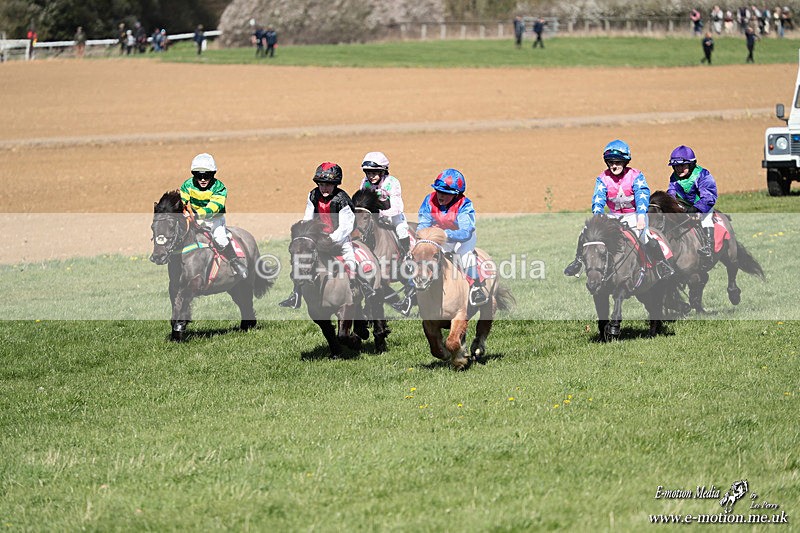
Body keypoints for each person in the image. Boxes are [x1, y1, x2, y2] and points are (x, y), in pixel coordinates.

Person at [563, 140, 673, 284]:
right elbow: (598, 199)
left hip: (634, 215)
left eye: (618, 162)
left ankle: (662, 264)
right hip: (613, 216)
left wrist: (641, 217)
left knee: (644, 236)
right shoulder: (602, 179)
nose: (614, 165)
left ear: (625, 162)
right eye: (610, 162)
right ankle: (577, 262)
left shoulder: (636, 176)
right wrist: (598, 218)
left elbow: (642, 197)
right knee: (586, 231)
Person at [279, 163, 374, 308]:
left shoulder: (342, 199)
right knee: (301, 260)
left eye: (329, 184)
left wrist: (331, 239)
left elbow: (346, 226)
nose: (324, 188)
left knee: (350, 259)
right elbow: (308, 217)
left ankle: (361, 286)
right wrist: (307, 236)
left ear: (336, 184)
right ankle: (296, 294)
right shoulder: (313, 195)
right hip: (318, 238)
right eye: (321, 184)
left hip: (340, 238)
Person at [405, 168, 488, 309]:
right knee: (420, 255)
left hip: (462, 239)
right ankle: (411, 291)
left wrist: (445, 234)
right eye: (438, 191)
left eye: (446, 193)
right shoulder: (429, 200)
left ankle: (476, 288)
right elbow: (423, 224)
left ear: (456, 194)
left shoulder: (464, 205)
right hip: (438, 238)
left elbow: (465, 232)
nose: (440, 196)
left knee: (465, 256)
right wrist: (424, 239)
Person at [358, 152, 413, 314]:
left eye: (374, 172)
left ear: (383, 171)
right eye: (368, 172)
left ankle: (406, 256)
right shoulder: (365, 183)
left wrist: (382, 214)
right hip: (373, 219)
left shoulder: (392, 183)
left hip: (393, 217)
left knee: (402, 230)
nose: (371, 176)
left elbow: (397, 207)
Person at [180, 153, 248, 279]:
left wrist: (197, 213)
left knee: (221, 240)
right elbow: (182, 201)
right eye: (198, 175)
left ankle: (235, 262)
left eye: (207, 175)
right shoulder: (187, 185)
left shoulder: (219, 188)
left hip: (214, 221)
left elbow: (214, 206)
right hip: (194, 220)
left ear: (213, 174)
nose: (203, 179)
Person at [666, 145, 718, 271]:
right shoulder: (674, 177)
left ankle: (709, 248)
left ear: (691, 164)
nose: (679, 169)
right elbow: (671, 194)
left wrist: (697, 208)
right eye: (676, 166)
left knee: (706, 219)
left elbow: (709, 196)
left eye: (682, 165)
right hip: (684, 207)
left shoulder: (703, 174)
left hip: (703, 206)